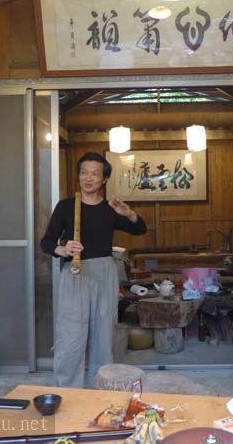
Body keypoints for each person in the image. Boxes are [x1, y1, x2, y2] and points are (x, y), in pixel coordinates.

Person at [41, 152, 147, 387]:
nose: (88, 178)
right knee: (71, 333)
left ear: (104, 179)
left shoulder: (110, 209)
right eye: (84, 173)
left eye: (95, 174)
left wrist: (129, 213)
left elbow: (140, 229)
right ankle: (68, 390)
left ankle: (100, 390)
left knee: (103, 333)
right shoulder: (66, 207)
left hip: (105, 272)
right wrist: (63, 249)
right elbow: (46, 242)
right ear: (79, 176)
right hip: (75, 272)